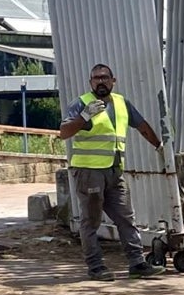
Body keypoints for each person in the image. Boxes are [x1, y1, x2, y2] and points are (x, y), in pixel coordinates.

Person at [59, 63, 165, 282]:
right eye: (96, 78)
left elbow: (142, 125)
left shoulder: (121, 103)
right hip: (89, 171)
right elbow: (64, 132)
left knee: (126, 218)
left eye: (105, 77)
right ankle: (96, 267)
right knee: (91, 221)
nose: (100, 81)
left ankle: (137, 263)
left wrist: (159, 145)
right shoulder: (81, 103)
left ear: (112, 81)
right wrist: (83, 117)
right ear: (91, 83)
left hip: (114, 172)